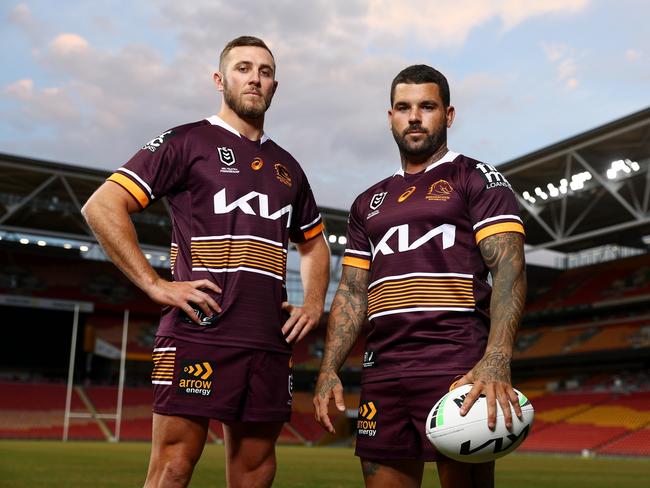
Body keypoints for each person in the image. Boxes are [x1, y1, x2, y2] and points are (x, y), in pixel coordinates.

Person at [82, 36, 330, 488]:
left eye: (265, 71)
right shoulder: (186, 141)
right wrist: (155, 284)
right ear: (220, 80)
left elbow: (313, 244)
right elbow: (102, 206)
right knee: (173, 467)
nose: (255, 77)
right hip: (200, 330)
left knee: (255, 472)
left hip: (267, 339)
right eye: (242, 68)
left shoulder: (289, 168)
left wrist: (314, 302)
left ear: (275, 86)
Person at [313, 64, 526, 488]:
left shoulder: (474, 177)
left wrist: (497, 357)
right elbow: (353, 292)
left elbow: (509, 268)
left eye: (426, 106)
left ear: (448, 115)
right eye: (403, 107)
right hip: (383, 369)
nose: (414, 116)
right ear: (390, 116)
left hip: (455, 364)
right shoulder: (367, 202)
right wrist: (329, 368)